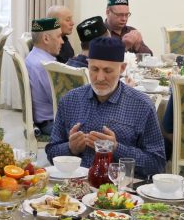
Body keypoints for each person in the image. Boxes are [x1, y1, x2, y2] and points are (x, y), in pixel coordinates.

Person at [46, 36, 166, 178]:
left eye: (107, 71)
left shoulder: (141, 106)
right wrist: (70, 148)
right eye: (94, 69)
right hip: (75, 184)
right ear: (88, 65)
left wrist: (116, 148)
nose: (100, 77)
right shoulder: (70, 100)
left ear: (122, 68)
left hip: (119, 187)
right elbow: (51, 152)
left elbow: (157, 164)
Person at [25, 17, 66, 135]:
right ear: (46, 39)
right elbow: (61, 101)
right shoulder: (45, 66)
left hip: (44, 121)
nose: (62, 41)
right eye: (59, 36)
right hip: (51, 124)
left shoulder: (33, 56)